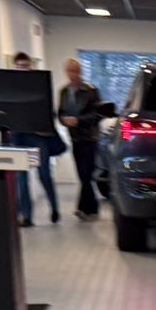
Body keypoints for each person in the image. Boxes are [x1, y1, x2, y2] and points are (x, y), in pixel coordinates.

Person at [6, 52, 64, 227]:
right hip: (18, 136)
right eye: (19, 67)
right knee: (21, 179)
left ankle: (54, 208)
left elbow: (50, 114)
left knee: (44, 175)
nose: (22, 70)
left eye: (25, 66)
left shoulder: (40, 88)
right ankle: (27, 216)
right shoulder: (9, 89)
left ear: (30, 67)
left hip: (38, 137)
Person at [58, 57, 110, 222]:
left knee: (86, 174)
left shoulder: (90, 90)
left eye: (75, 70)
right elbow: (60, 112)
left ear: (80, 72)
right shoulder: (64, 92)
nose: (72, 74)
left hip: (89, 137)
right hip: (74, 137)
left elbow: (98, 114)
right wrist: (64, 120)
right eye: (69, 71)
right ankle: (88, 208)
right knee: (82, 175)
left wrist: (79, 120)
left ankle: (86, 208)